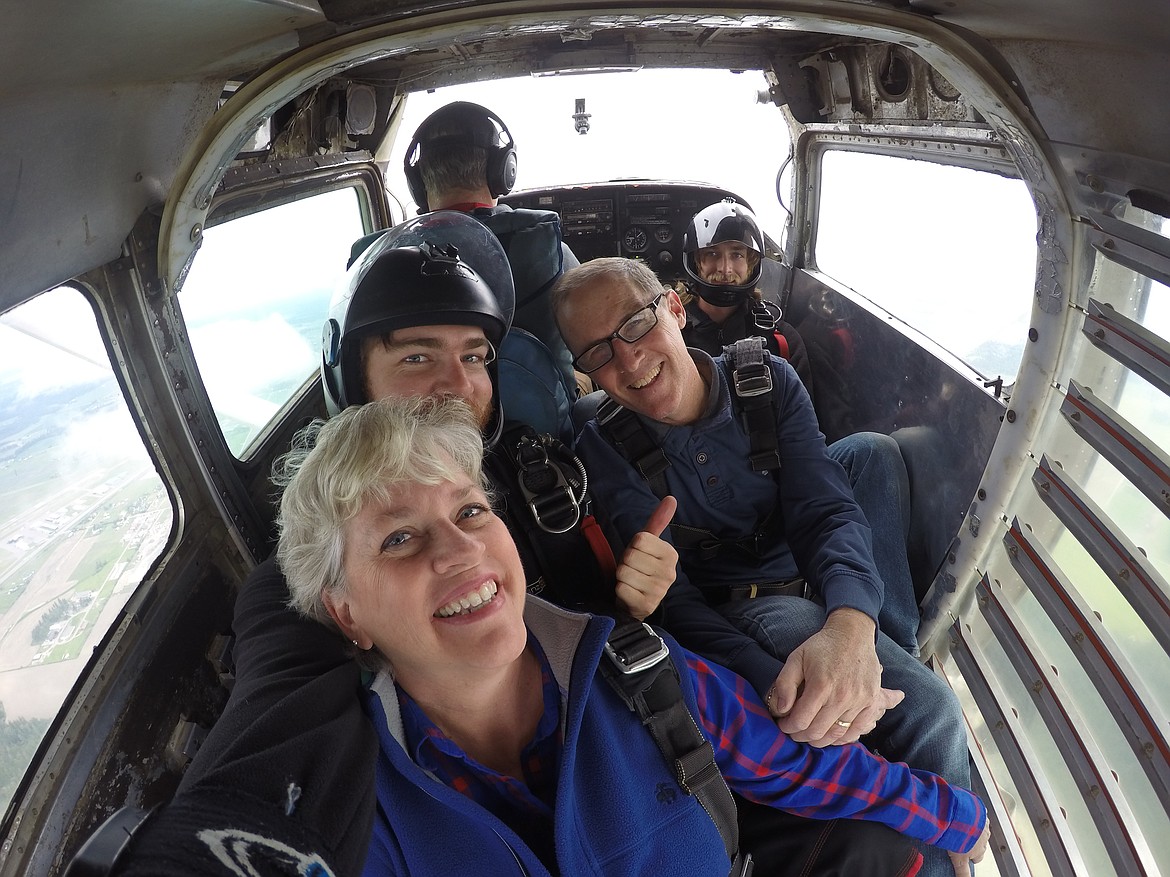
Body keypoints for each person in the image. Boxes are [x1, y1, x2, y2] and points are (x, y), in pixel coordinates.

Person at [276, 394, 989, 877]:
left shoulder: (639, 668)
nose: (458, 551)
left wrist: (958, 819)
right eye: (398, 536)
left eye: (468, 511)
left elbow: (805, 770)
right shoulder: (351, 795)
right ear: (345, 613)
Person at [552, 256, 973, 877]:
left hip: (806, 572)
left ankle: (895, 660)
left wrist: (853, 629)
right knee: (930, 709)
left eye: (636, 325)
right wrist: (770, 679)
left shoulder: (766, 380)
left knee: (871, 457)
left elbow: (823, 510)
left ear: (675, 306)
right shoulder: (604, 450)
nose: (629, 360)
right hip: (749, 611)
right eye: (597, 353)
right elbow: (680, 608)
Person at [679, 199, 921, 657]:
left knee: (874, 450)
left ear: (753, 264)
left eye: (737, 256)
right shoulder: (672, 339)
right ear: (693, 263)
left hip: (785, 468)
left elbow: (813, 427)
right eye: (712, 256)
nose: (724, 269)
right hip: (710, 485)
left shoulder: (781, 336)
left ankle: (890, 637)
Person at [403, 100, 582, 394]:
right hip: (544, 427)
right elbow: (588, 343)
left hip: (425, 430)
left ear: (417, 185)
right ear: (503, 172)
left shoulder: (381, 262)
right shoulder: (550, 252)